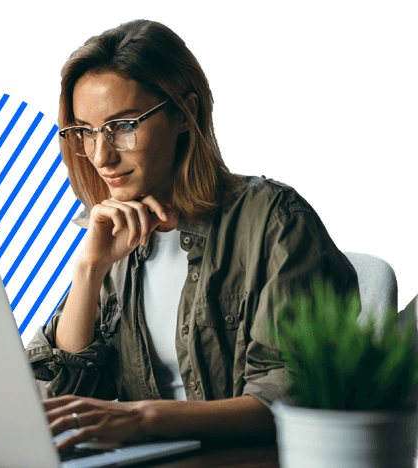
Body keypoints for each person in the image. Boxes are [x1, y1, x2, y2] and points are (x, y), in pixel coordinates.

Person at [25, 19, 361, 452]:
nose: (100, 156)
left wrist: (144, 419)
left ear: (186, 113)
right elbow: (54, 397)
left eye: (123, 126)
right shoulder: (116, 238)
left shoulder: (275, 221)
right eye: (84, 131)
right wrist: (89, 270)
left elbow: (288, 401)